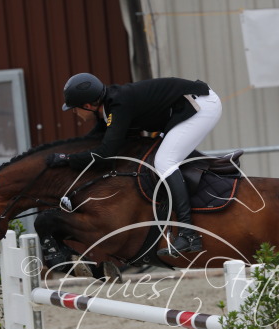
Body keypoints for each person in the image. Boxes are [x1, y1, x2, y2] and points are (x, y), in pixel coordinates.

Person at [47, 73, 222, 257]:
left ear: (88, 106)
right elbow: (95, 141)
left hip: (201, 106)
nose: (74, 113)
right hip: (185, 106)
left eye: (74, 108)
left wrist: (68, 159)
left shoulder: (118, 106)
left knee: (164, 161)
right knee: (158, 157)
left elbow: (105, 153)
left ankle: (188, 234)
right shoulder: (111, 105)